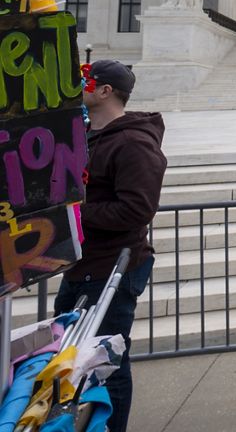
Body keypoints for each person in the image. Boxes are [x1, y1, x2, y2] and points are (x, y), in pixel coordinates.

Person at [55, 60, 165, 432]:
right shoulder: (87, 136)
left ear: (104, 91)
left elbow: (137, 209)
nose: (78, 87)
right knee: (69, 359)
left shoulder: (133, 141)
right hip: (80, 264)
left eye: (86, 81)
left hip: (114, 268)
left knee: (108, 364)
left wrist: (74, 213)